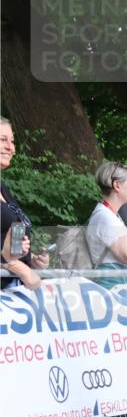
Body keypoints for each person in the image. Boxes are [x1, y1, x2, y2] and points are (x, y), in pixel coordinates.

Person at [0, 117, 49, 290]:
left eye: (12, 141)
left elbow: (8, 243)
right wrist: (19, 268)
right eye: (2, 140)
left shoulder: (3, 188)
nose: (10, 147)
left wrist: (30, 260)